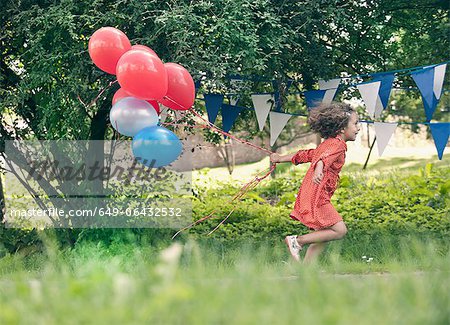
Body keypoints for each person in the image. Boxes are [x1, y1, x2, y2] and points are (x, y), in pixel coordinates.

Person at [270, 102, 360, 263]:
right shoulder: (338, 145)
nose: (358, 128)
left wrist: (279, 158)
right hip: (318, 195)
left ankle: (306, 273)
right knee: (339, 230)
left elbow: (307, 155)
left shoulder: (327, 143)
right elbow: (323, 158)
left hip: (312, 192)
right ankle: (297, 241)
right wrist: (319, 168)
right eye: (355, 124)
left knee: (322, 235)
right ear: (341, 129)